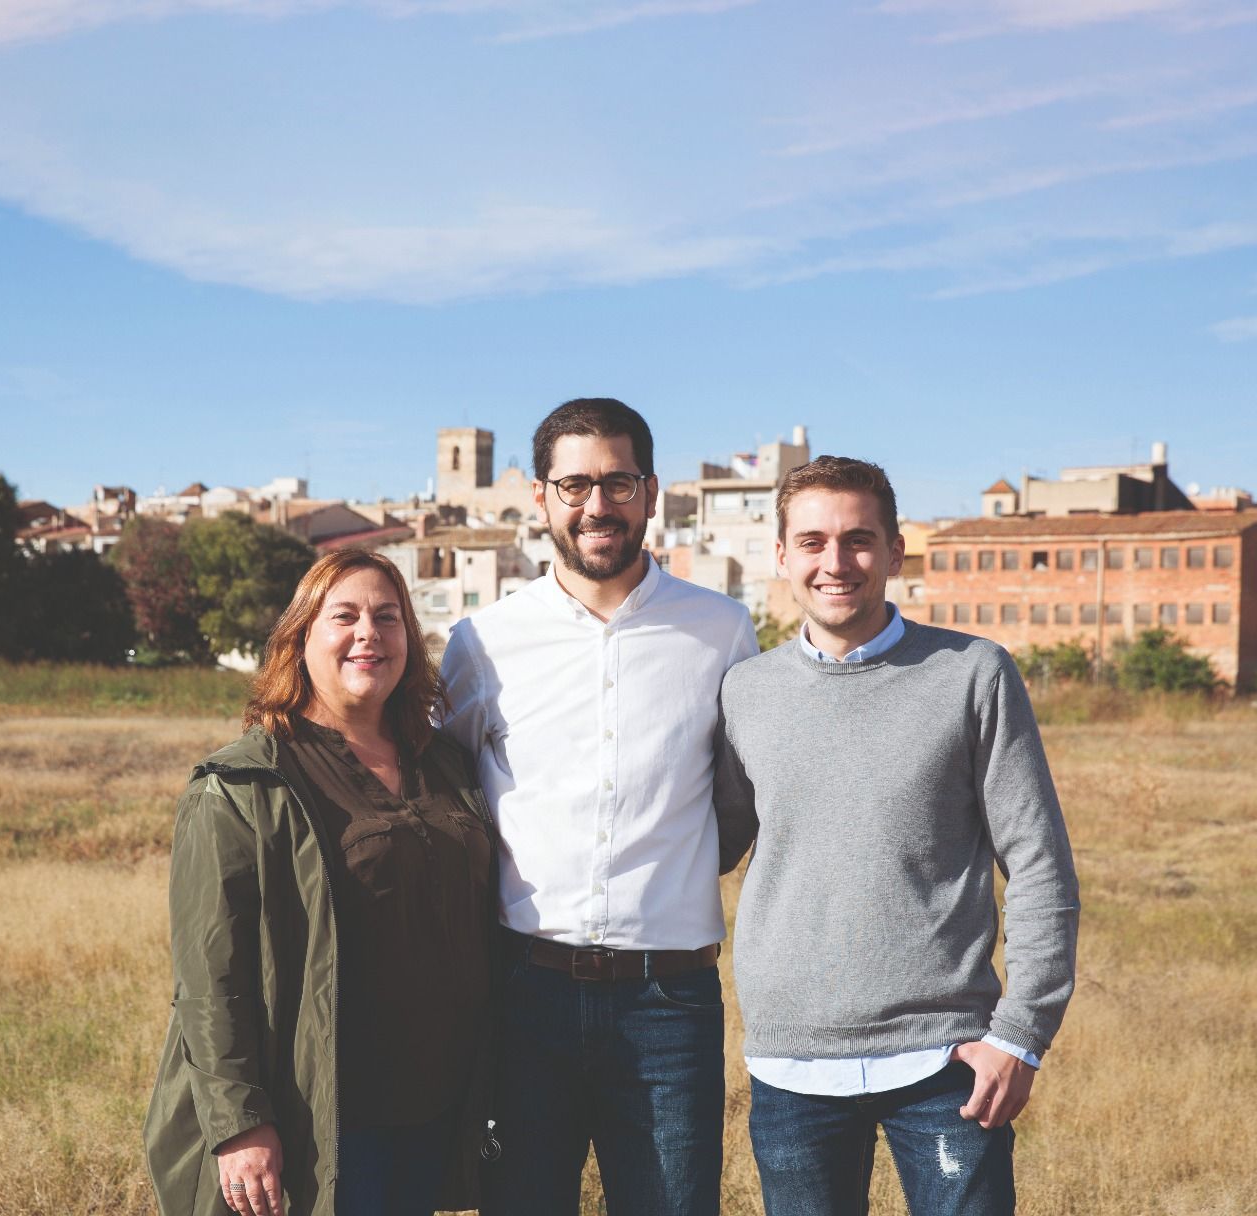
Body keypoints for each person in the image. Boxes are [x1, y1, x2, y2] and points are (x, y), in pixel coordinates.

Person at [714, 456, 1080, 1216]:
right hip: (791, 1066)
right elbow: (712, 843)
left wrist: (1022, 1035)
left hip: (946, 1060)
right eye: (812, 542)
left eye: (857, 539)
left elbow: (1039, 863)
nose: (835, 562)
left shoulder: (974, 673)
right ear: (781, 555)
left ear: (894, 551)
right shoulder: (746, 691)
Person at [440, 397, 759, 1216]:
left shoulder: (721, 631)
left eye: (618, 483)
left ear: (651, 493)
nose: (597, 506)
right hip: (524, 995)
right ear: (541, 498)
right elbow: (448, 795)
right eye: (574, 484)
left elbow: (738, 801)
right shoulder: (483, 643)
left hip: (670, 1005)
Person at [144, 549, 498, 1216]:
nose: (370, 633)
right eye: (346, 617)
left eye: (388, 618)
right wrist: (240, 1124)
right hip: (326, 1117)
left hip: (437, 1109)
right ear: (301, 637)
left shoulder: (445, 762)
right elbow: (210, 980)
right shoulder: (245, 783)